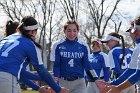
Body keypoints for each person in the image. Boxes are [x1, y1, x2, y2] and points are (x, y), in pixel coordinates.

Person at [0, 16, 69, 93]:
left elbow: (21, 73)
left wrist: (38, 87)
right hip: (6, 78)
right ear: (33, 31)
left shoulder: (6, 39)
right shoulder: (29, 44)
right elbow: (41, 70)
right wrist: (58, 89)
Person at [96, 15, 140, 93]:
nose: (106, 45)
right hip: (131, 82)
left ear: (114, 41)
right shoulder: (130, 49)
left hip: (124, 82)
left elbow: (118, 71)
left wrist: (116, 86)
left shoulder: (113, 52)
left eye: (107, 42)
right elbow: (132, 70)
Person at [50, 20, 97, 93]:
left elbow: (87, 65)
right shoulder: (57, 45)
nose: (72, 33)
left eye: (74, 30)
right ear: (64, 31)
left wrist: (95, 78)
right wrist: (55, 83)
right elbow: (56, 65)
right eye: (69, 30)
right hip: (62, 82)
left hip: (79, 83)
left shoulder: (84, 46)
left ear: (78, 31)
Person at [4, 20, 50, 93]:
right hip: (6, 80)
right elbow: (24, 73)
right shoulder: (21, 45)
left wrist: (38, 88)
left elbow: (22, 76)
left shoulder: (5, 44)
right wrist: (45, 78)